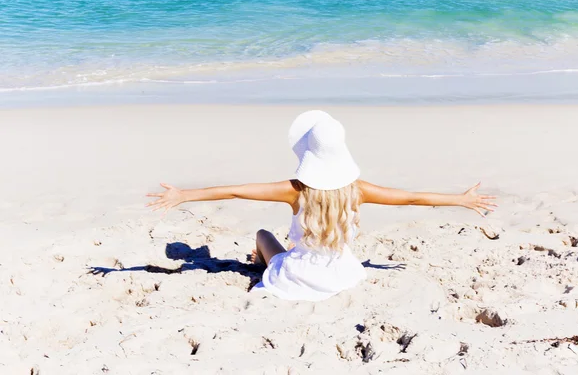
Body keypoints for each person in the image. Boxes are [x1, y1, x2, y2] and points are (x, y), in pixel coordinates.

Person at [146, 110, 497, 301]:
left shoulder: (295, 190)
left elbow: (236, 192)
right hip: (341, 274)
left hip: (297, 275)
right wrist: (461, 200)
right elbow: (412, 198)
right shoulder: (358, 191)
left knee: (263, 234)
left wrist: (184, 195)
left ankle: (258, 262)